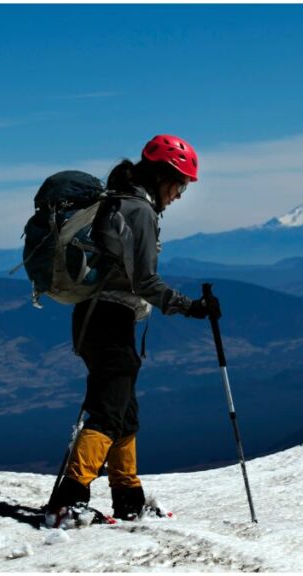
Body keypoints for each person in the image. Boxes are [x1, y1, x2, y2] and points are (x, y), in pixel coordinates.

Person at [44, 134, 218, 527]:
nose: (180, 194)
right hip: (107, 318)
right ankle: (68, 501)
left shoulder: (123, 203)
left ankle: (128, 498)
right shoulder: (137, 210)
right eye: (180, 183)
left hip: (101, 319)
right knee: (108, 413)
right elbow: (145, 282)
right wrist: (191, 307)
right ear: (160, 176)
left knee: (124, 412)